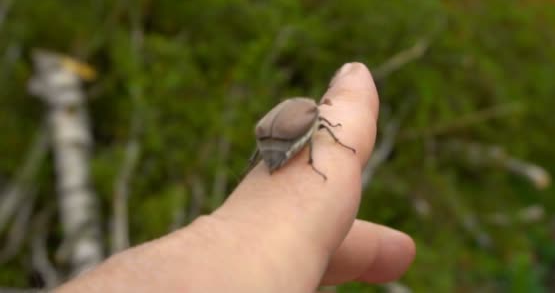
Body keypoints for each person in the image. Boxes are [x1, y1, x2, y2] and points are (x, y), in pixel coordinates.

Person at [56, 62, 416, 292]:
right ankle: (298, 165)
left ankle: (268, 161)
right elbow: (325, 132)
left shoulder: (302, 108)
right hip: (285, 141)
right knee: (321, 136)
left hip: (271, 140)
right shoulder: (316, 114)